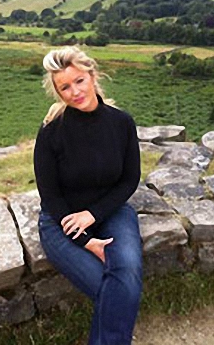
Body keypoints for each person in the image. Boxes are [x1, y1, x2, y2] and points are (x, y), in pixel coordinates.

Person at [33, 46, 143, 345]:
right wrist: (85, 241)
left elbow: (129, 180)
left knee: (126, 275)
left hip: (112, 211)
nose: (75, 92)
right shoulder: (51, 132)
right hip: (60, 221)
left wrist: (93, 215)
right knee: (119, 289)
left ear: (92, 76)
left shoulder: (121, 123)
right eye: (65, 87)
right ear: (58, 92)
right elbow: (51, 197)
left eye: (79, 81)